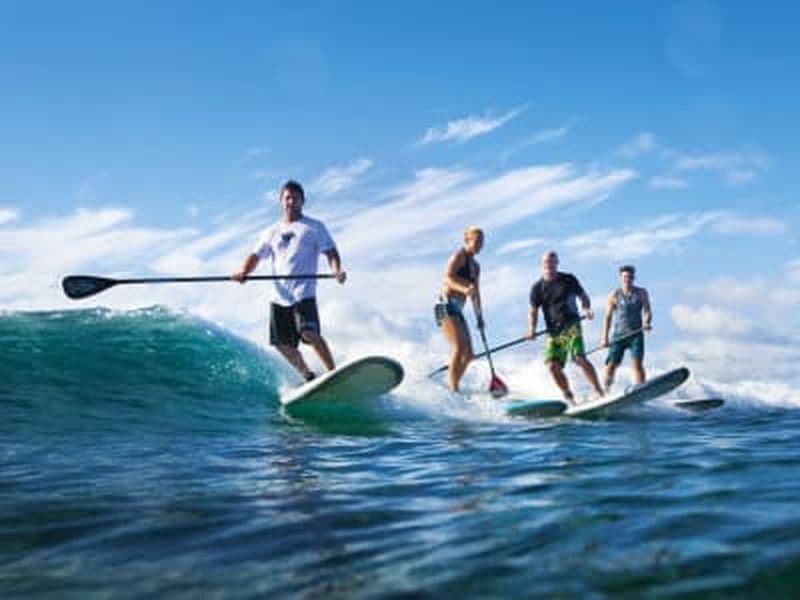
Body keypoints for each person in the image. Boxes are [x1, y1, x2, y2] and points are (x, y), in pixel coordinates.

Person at [232, 180, 346, 382]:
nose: (291, 202)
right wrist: (244, 272)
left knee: (308, 333)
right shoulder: (271, 231)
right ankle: (308, 376)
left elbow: (331, 252)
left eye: (295, 198)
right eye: (287, 198)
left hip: (303, 294)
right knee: (281, 344)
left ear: (303, 201)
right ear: (281, 201)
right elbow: (256, 256)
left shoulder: (314, 227)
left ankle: (333, 373)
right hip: (279, 296)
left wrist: (336, 270)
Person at [527, 250, 604, 404]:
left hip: (571, 325)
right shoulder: (537, 287)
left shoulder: (568, 279)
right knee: (552, 366)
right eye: (547, 262)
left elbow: (583, 296)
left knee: (579, 358)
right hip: (553, 332)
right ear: (543, 265)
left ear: (557, 263)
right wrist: (531, 329)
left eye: (552, 262)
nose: (550, 265)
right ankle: (569, 397)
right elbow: (533, 311)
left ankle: (599, 391)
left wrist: (587, 309)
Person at [435, 227, 485, 392]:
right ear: (467, 241)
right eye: (476, 241)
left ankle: (453, 382)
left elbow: (476, 293)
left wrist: (479, 317)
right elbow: (447, 279)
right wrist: (464, 288)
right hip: (443, 306)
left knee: (469, 354)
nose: (480, 244)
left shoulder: (476, 267)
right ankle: (453, 388)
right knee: (459, 348)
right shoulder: (459, 256)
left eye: (482, 242)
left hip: (457, 309)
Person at [601, 265, 652, 391]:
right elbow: (607, 317)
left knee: (637, 364)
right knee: (612, 365)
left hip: (636, 334)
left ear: (633, 278)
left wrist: (646, 322)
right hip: (619, 336)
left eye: (629, 277)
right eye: (625, 277)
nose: (627, 279)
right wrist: (604, 338)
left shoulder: (641, 293)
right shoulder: (614, 295)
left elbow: (647, 310)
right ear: (620, 278)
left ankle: (641, 390)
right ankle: (605, 390)